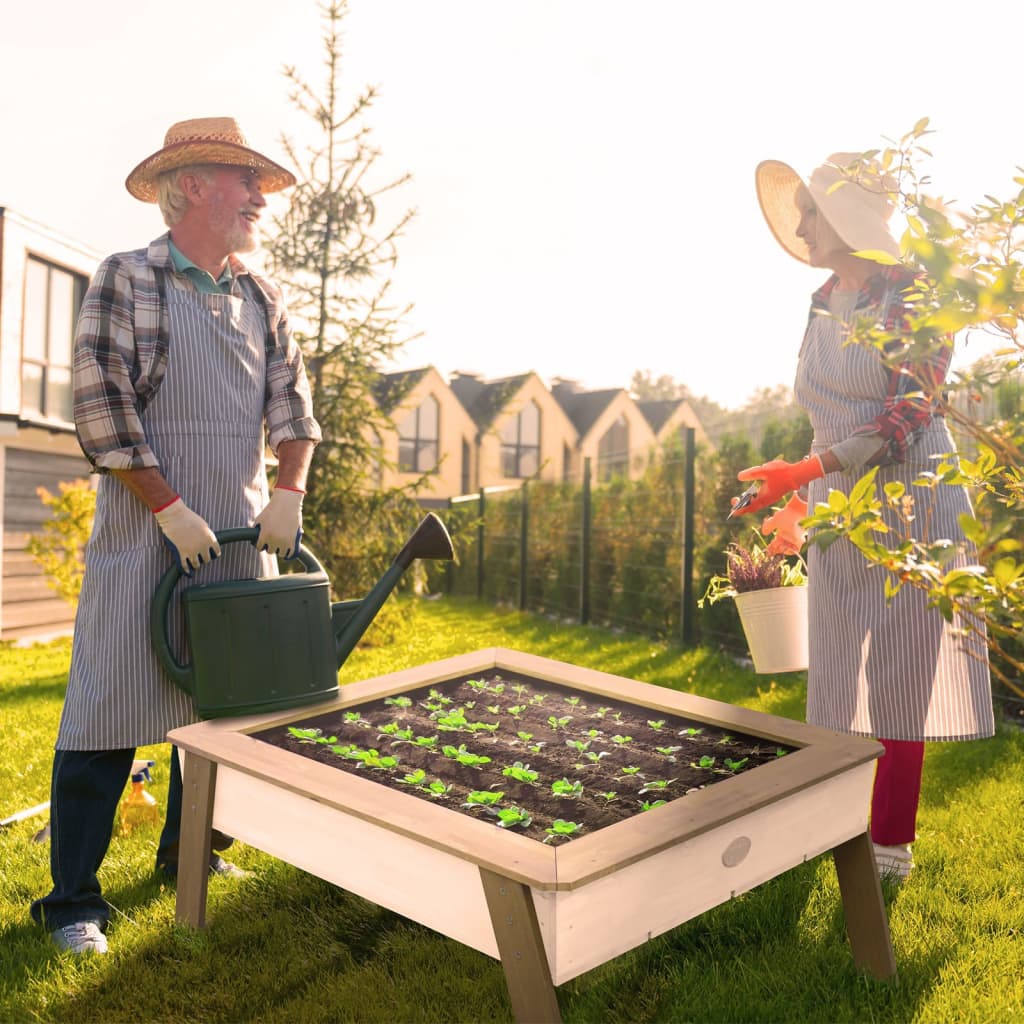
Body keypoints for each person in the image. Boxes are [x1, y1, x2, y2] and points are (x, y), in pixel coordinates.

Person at [30, 117, 322, 955]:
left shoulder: (261, 296)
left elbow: (293, 407)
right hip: (145, 529)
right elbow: (101, 407)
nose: (260, 198)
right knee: (107, 707)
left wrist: (290, 490)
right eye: (245, 181)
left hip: (238, 531)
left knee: (224, 709)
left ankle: (190, 857)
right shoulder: (129, 278)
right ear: (193, 185)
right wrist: (168, 507)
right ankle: (72, 902)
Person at [733, 152, 994, 882]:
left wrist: (808, 476)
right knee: (835, 672)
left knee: (900, 676)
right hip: (836, 501)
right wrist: (791, 501)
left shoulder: (916, 294)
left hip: (916, 497)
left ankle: (889, 846)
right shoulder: (822, 300)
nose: (801, 223)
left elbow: (905, 417)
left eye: (811, 209)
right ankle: (828, 827)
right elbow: (826, 417)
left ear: (846, 216)